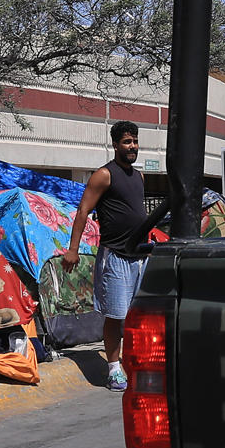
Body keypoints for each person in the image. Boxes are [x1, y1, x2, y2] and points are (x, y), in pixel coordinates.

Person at [59, 120, 148, 393]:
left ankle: (131, 362)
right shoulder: (104, 175)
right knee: (116, 316)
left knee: (137, 315)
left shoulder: (139, 176)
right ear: (115, 144)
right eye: (126, 142)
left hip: (140, 256)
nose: (132, 146)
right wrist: (72, 249)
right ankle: (113, 369)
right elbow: (83, 211)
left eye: (134, 141)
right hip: (116, 256)